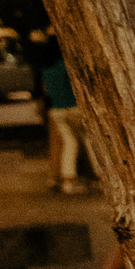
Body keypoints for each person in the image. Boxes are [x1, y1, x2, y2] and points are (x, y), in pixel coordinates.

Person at [37, 42, 88, 195]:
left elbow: (44, 92)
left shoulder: (45, 69)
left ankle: (61, 178)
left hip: (56, 110)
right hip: (73, 107)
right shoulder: (66, 65)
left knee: (66, 143)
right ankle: (70, 178)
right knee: (77, 143)